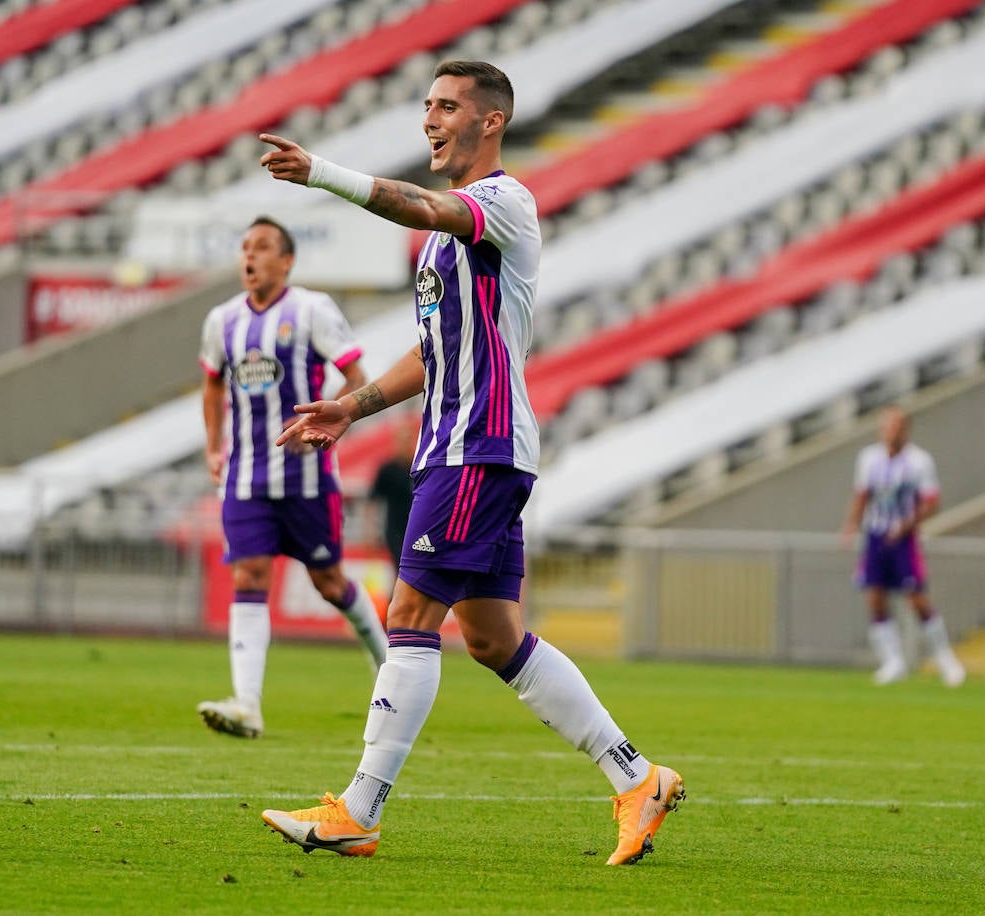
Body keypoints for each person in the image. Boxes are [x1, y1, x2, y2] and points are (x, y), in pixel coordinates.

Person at [258, 60, 684, 866]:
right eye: (426, 104)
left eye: (447, 106)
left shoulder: (502, 204)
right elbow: (434, 347)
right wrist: (352, 406)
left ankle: (359, 810)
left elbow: (418, 202)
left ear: (491, 122)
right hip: (467, 445)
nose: (430, 118)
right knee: (493, 639)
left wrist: (322, 173)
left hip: (476, 446)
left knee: (410, 619)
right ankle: (637, 779)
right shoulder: (444, 245)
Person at [196, 215, 387, 739]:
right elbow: (212, 386)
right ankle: (247, 705)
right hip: (246, 479)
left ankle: (387, 667)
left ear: (287, 260)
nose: (249, 257)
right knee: (249, 576)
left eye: (261, 247)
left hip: (306, 476)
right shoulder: (223, 321)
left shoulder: (311, 310)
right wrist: (214, 446)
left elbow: (357, 376)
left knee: (329, 583)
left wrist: (334, 424)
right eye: (244, 248)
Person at [842, 406, 965, 687]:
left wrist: (907, 525)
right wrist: (851, 524)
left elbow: (932, 501)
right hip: (875, 535)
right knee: (874, 598)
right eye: (886, 426)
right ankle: (893, 661)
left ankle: (946, 660)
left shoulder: (919, 461)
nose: (890, 432)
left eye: (895, 426)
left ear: (905, 429)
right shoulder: (869, 458)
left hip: (905, 539)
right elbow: (862, 495)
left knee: (916, 598)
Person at [368, 415, 418, 572]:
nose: (406, 445)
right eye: (403, 441)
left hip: (417, 528)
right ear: (396, 442)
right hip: (395, 529)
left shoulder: (418, 467)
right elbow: (373, 500)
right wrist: (371, 531)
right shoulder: (388, 470)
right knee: (401, 570)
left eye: (409, 440)